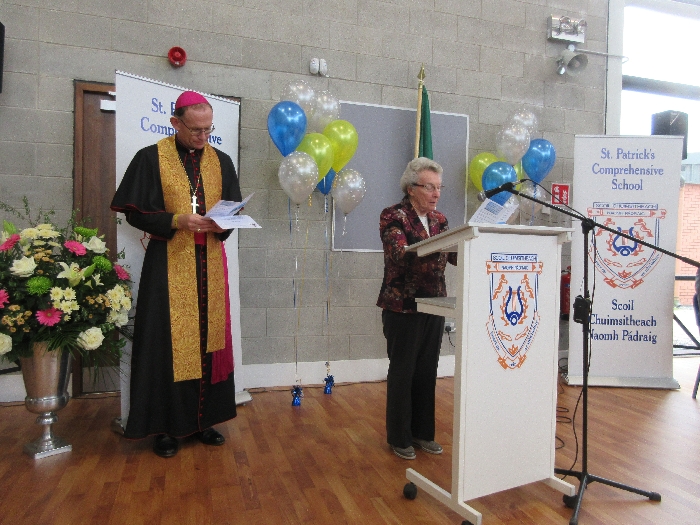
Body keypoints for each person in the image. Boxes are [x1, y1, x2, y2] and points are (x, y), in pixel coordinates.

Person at [111, 91, 242, 458]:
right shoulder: (150, 158)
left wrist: (224, 223)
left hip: (210, 263)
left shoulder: (222, 161)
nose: (203, 137)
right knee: (164, 344)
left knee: (208, 342)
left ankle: (205, 421)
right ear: (175, 123)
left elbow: (232, 209)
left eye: (208, 129)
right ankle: (165, 428)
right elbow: (134, 213)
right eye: (196, 130)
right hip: (167, 264)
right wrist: (176, 220)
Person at [377, 157, 457, 460]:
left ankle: (423, 433)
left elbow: (454, 257)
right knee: (403, 372)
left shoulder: (440, 220)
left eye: (439, 187)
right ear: (411, 188)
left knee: (427, 371)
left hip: (434, 303)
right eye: (429, 187)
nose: (436, 194)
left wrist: (476, 244)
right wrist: (437, 246)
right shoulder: (392, 216)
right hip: (403, 306)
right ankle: (400, 437)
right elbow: (399, 254)